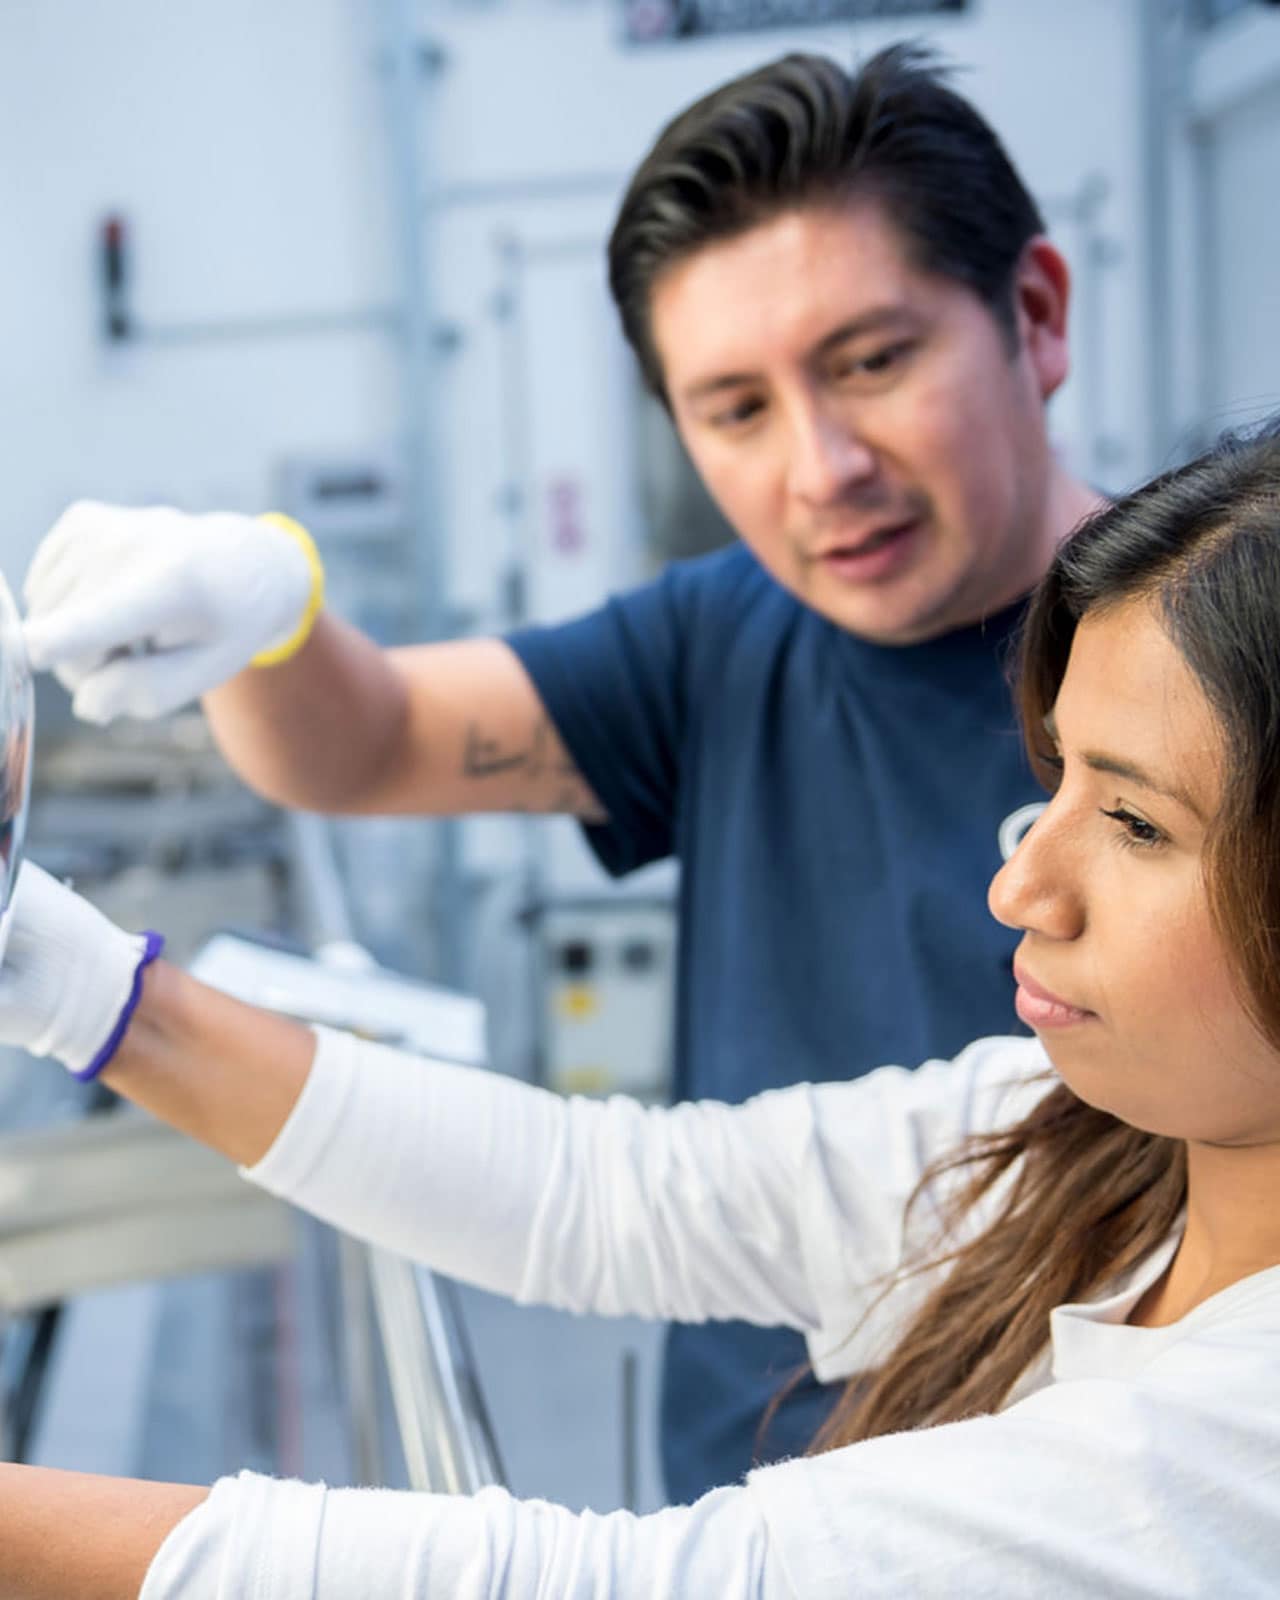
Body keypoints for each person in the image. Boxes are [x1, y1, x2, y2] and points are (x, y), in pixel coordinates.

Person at [19, 46, 1104, 1499]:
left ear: (1033, 315)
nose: (820, 465)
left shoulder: (1201, 651)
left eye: (873, 360)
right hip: (754, 1502)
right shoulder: (728, 637)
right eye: (736, 409)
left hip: (1093, 1507)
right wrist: (269, 614)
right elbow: (376, 741)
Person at [4, 421, 1280, 1596]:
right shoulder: (1064, 1137)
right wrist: (67, 978)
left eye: (1131, 820)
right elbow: (604, 1194)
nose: (1016, 884)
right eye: (1051, 774)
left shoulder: (1233, 1439)